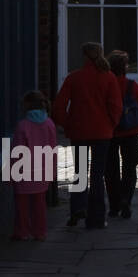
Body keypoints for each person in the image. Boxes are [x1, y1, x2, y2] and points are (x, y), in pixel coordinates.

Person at [52, 42, 121, 229]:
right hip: (102, 132)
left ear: (84, 56)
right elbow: (115, 106)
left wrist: (67, 123)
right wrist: (111, 125)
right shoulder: (108, 78)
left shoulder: (74, 78)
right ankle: (97, 217)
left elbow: (59, 106)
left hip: (79, 131)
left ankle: (77, 209)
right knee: (97, 175)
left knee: (79, 173)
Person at [106, 50, 138, 218]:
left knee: (111, 170)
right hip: (130, 131)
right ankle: (126, 200)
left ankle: (113, 205)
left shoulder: (107, 85)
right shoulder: (132, 85)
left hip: (110, 132)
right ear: (124, 67)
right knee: (130, 168)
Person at [12, 92, 58, 241]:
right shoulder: (49, 124)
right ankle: (40, 232)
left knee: (22, 205)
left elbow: (18, 151)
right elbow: (53, 149)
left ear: (27, 106)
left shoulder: (22, 126)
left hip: (24, 171)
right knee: (39, 204)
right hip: (43, 170)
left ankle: (22, 231)